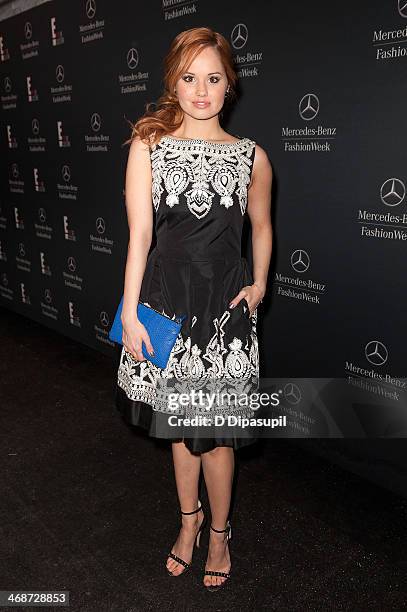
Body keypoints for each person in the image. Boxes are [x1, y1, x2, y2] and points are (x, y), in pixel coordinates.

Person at [114, 26, 273, 590]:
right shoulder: (148, 142)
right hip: (167, 301)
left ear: (230, 84)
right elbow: (138, 237)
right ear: (173, 82)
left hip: (223, 308)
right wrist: (130, 312)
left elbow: (261, 226)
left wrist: (258, 285)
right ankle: (189, 523)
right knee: (181, 430)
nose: (201, 90)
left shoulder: (251, 156)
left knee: (217, 433)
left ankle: (221, 533)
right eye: (189, 77)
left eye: (212, 77)